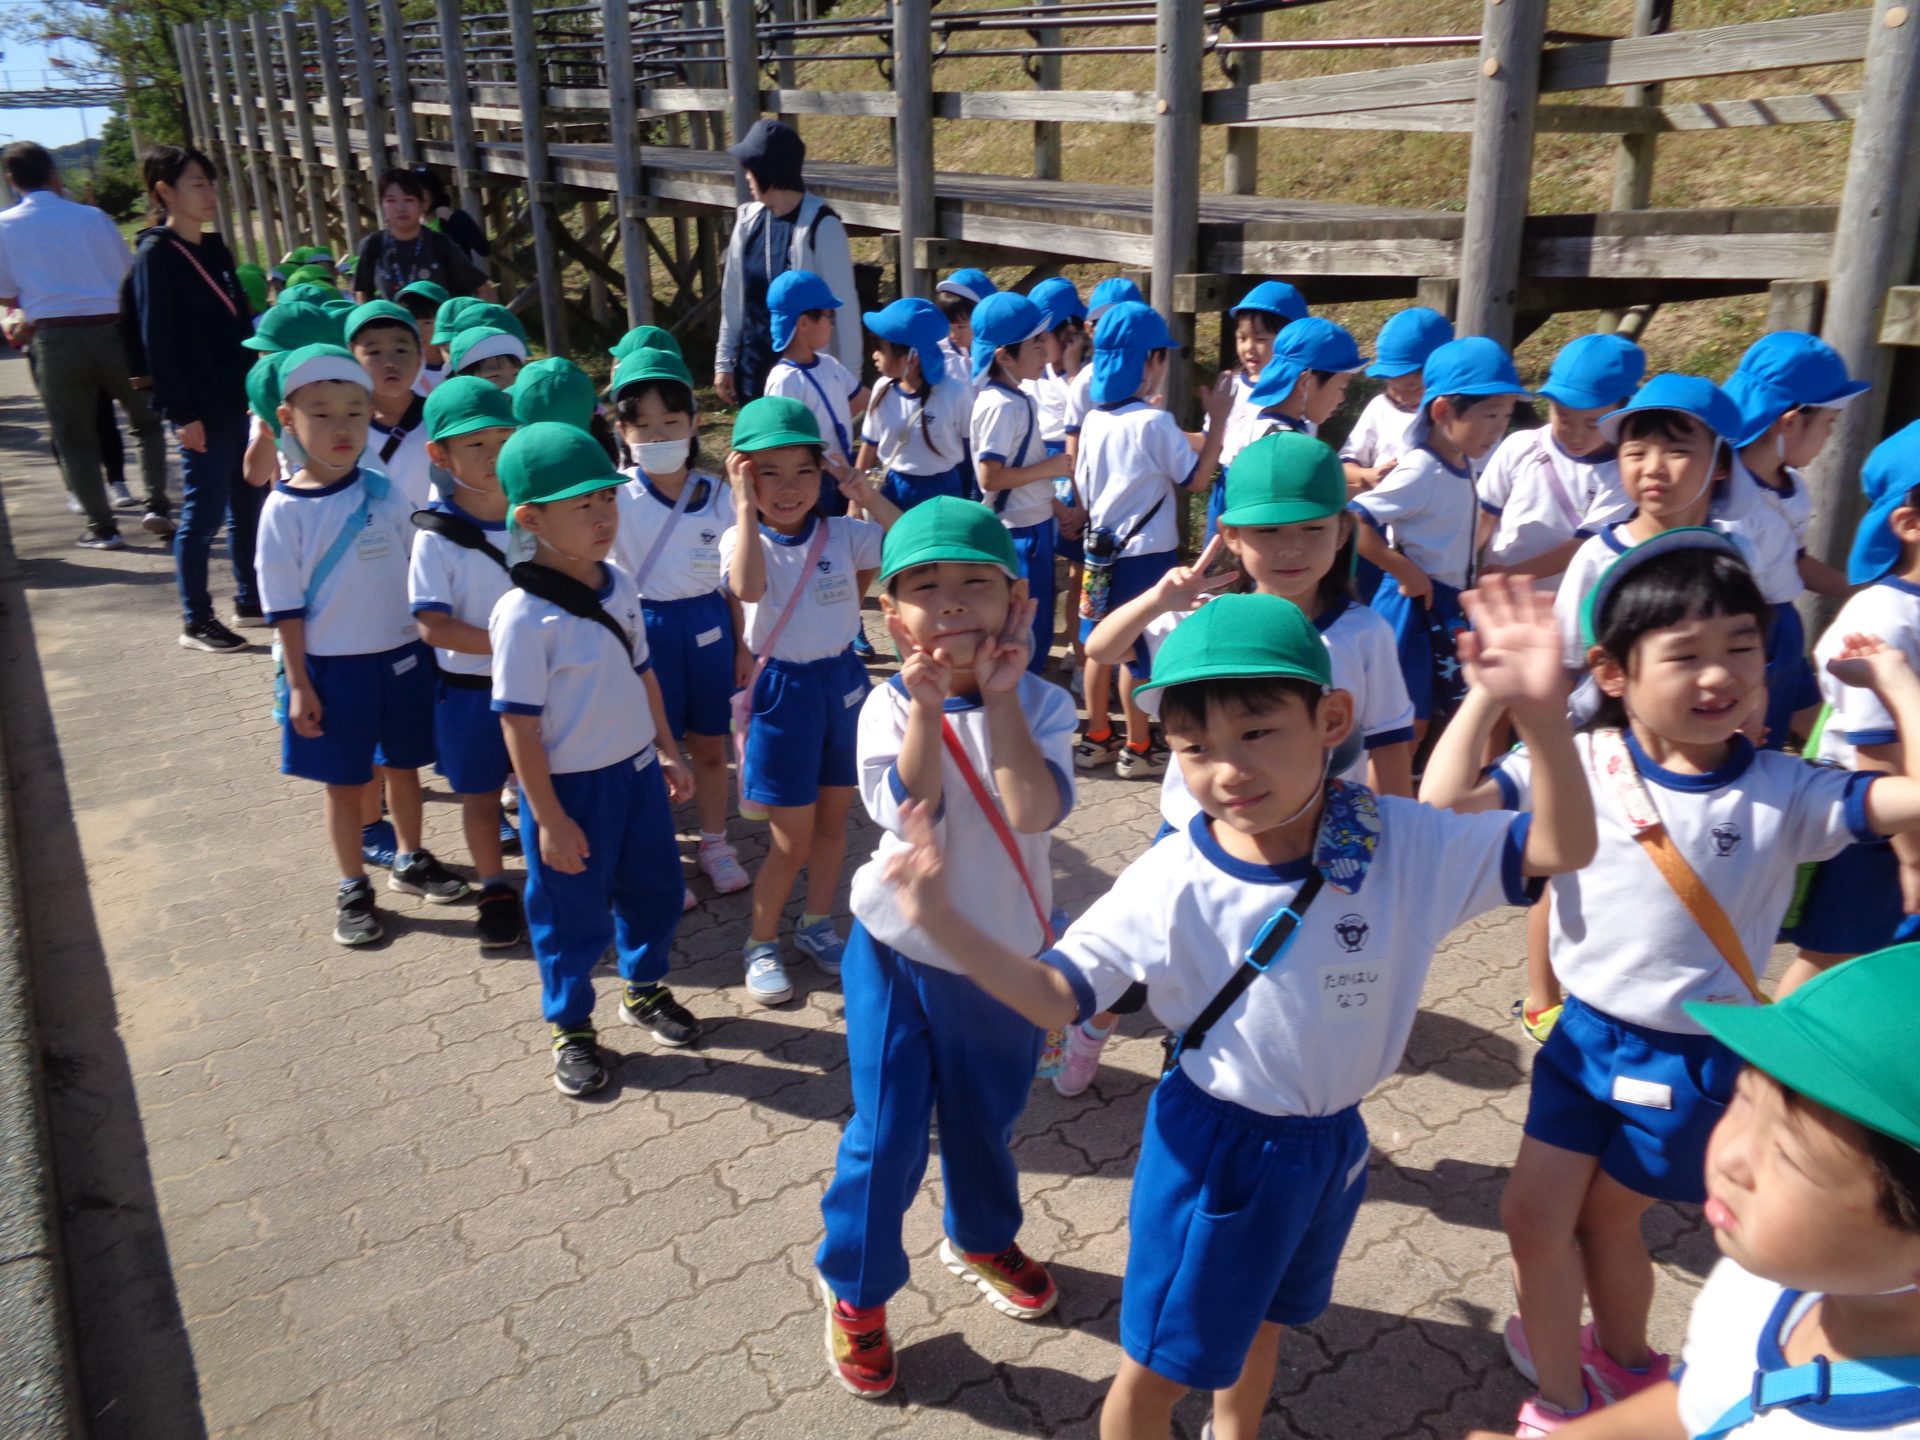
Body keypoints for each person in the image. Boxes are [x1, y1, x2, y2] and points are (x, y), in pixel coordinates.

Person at [882, 581, 1593, 1440]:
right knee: (1156, 1373)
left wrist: (1542, 720)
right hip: (1218, 1152)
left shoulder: (1399, 841)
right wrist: (943, 922)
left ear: (1331, 719)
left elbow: (1562, 846)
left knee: (1265, 1322)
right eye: (1194, 747)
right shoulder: (1170, 878)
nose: (1228, 770)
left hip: (1333, 1142)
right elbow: (1053, 996)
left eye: (1257, 732)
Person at [1422, 530, 1920, 1437]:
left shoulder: (1787, 789)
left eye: (1741, 646)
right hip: (1580, 1040)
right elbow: (1441, 804)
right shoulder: (1580, 760)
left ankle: (1624, 1361)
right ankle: (1563, 1399)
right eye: (1685, 654)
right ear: (1612, 673)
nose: (1720, 673)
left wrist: (1895, 681)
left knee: (1604, 1224)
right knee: (1531, 1217)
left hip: (1690, 1061)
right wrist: (1489, 693)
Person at [815, 497, 1074, 1398]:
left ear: (1017, 601)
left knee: (986, 1116)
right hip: (898, 951)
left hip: (1002, 963)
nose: (953, 602)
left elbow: (1032, 811)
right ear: (892, 616)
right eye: (925, 587)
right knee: (886, 1132)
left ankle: (980, 1237)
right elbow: (906, 807)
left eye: (976, 583)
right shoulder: (886, 706)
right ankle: (856, 1289)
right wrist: (929, 710)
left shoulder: (1044, 703)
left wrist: (999, 700)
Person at [1066, 432, 1416, 1096]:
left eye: (1311, 529)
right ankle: (1093, 1025)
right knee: (1145, 954)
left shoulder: (1363, 632)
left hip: (1312, 840)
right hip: (1195, 834)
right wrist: (1159, 600)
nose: (1290, 549)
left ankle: (1212, 1065)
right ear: (1229, 534)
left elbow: (1391, 745)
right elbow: (1104, 649)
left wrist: (1398, 842)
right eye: (1268, 531)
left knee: (1263, 961)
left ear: (1342, 531)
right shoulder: (1209, 620)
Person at [1464, 941, 1920, 1440]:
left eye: (1789, 1155)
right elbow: (1698, 1401)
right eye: (1744, 1099)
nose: (1729, 1156)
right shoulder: (1754, 1283)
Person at [491, 422, 696, 1097]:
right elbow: (518, 726)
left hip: (636, 775)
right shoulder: (523, 617)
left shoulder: (622, 585)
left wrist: (666, 750)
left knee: (654, 892)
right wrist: (548, 818)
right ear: (531, 519)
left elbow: (643, 675)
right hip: (569, 791)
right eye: (581, 505)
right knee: (569, 915)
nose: (603, 516)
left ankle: (644, 988)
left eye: (607, 497)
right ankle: (571, 1025)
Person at [257, 345, 470, 947]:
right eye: (321, 413)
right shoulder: (283, 511)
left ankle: (410, 856)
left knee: (405, 767)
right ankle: (352, 884)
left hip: (401, 657)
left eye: (354, 412)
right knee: (346, 781)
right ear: (288, 419)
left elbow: (418, 568)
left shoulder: (384, 493)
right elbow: (284, 607)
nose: (341, 427)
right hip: (331, 669)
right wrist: (300, 683)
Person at [721, 397, 899, 1006]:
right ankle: (760, 942)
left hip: (842, 685)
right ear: (744, 476)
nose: (789, 487)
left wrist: (863, 490)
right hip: (783, 693)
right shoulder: (741, 538)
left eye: (803, 470)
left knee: (832, 826)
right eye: (768, 473)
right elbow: (747, 587)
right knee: (790, 840)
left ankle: (817, 923)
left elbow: (912, 543)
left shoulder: (843, 533)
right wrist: (742, 507)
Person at [606, 343, 754, 906]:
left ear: (694, 423)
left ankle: (715, 843)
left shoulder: (719, 496)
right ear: (623, 432)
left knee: (710, 746)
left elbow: (734, 581)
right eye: (642, 426)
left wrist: (742, 646)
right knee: (649, 750)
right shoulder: (615, 497)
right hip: (644, 632)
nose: (658, 435)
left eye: (670, 422)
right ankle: (659, 852)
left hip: (709, 630)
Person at [1781, 419, 1920, 992]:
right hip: (1878, 833)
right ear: (1909, 524)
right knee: (1834, 960)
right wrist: (1912, 858)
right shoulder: (1883, 616)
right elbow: (1876, 756)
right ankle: (1774, 1049)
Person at [1072, 301, 1230, 776]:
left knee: (1112, 645)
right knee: (1142, 656)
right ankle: (1140, 746)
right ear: (1148, 361)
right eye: (1162, 356)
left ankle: (1109, 738)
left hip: (1102, 554)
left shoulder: (1095, 419)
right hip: (1148, 558)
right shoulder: (1153, 423)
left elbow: (1083, 484)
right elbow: (1196, 480)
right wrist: (1218, 422)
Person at [1353, 335, 1527, 740]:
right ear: (1443, 411)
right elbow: (1354, 520)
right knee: (1402, 722)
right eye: (1490, 415)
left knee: (1434, 714)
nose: (1499, 429)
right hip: (1412, 604)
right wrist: (1404, 570)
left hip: (1446, 602)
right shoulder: (1422, 469)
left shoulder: (1462, 462)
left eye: (1505, 416)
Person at [0, 141, 171, 549]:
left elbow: (6, 294)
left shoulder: (4, 225)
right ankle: (157, 506)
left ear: (11, 181)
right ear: (54, 175)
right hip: (113, 330)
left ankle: (102, 528)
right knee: (145, 422)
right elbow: (127, 274)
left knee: (74, 436)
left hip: (54, 338)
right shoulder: (92, 217)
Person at [407, 377, 526, 950]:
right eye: (475, 444)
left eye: (503, 439)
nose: (492, 454)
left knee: (546, 787)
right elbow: (433, 626)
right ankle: (496, 889)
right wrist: (514, 644)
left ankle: (557, 876)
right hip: (471, 690)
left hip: (540, 688)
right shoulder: (436, 537)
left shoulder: (533, 516)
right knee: (480, 795)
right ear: (440, 455)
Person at [130, 144, 260, 651]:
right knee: (202, 517)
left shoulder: (215, 249)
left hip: (238, 398)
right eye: (197, 185)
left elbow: (239, 324)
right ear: (165, 192)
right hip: (200, 408)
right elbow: (157, 340)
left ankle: (250, 597)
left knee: (248, 502)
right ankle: (196, 619)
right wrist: (181, 412)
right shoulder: (156, 256)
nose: (209, 194)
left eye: (211, 183)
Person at [715, 119, 861, 404]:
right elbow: (733, 298)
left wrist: (849, 384)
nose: (746, 176)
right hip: (754, 373)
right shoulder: (747, 221)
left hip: (806, 384)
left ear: (770, 172)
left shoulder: (822, 226)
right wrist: (724, 361)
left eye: (751, 168)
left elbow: (844, 311)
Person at [970, 290, 1075, 673]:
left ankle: (1030, 688)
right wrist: (1050, 469)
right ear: (1004, 356)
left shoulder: (1019, 397)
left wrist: (1055, 506)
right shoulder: (1000, 405)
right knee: (1021, 623)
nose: (1045, 351)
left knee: (1037, 617)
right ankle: (1019, 693)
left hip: (1034, 523)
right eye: (1035, 344)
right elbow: (990, 477)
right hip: (1016, 533)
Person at [1209, 316, 1365, 539]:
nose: (1342, 399)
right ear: (1305, 382)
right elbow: (1307, 501)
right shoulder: (1283, 446)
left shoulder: (1253, 423)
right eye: (1341, 387)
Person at [856, 297, 969, 512]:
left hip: (942, 495)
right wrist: (855, 502)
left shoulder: (954, 392)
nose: (874, 355)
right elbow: (869, 447)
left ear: (912, 357)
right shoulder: (881, 389)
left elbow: (971, 449)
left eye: (881, 348)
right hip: (892, 489)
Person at [762, 269, 864, 490]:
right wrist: (830, 468)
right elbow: (790, 446)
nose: (833, 324)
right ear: (804, 323)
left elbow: (865, 400)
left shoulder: (829, 364)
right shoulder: (784, 381)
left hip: (841, 472)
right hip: (812, 482)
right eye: (830, 316)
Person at [1341, 306, 1454, 492]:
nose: (1402, 398)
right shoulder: (1381, 408)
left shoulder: (1457, 420)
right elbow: (1343, 466)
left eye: (1413, 387)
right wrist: (1369, 475)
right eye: (1393, 388)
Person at [353, 167, 489, 303]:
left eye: (409, 199)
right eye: (391, 200)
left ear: (424, 204)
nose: (401, 208)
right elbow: (362, 292)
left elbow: (484, 288)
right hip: (392, 316)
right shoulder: (373, 244)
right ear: (381, 205)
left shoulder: (440, 243)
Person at [344, 300, 430, 509]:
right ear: (351, 359)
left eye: (401, 350)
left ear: (420, 357)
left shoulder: (440, 419)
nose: (390, 363)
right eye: (374, 352)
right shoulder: (343, 426)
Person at [1215, 280, 1309, 468]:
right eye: (1242, 338)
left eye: (1260, 339)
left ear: (1291, 342)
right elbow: (1210, 441)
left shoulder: (1299, 392)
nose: (1248, 347)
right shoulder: (1231, 387)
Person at [409, 163, 489, 269]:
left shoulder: (453, 218)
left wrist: (454, 219)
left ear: (434, 193)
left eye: (422, 191)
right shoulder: (408, 224)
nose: (418, 197)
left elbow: (484, 249)